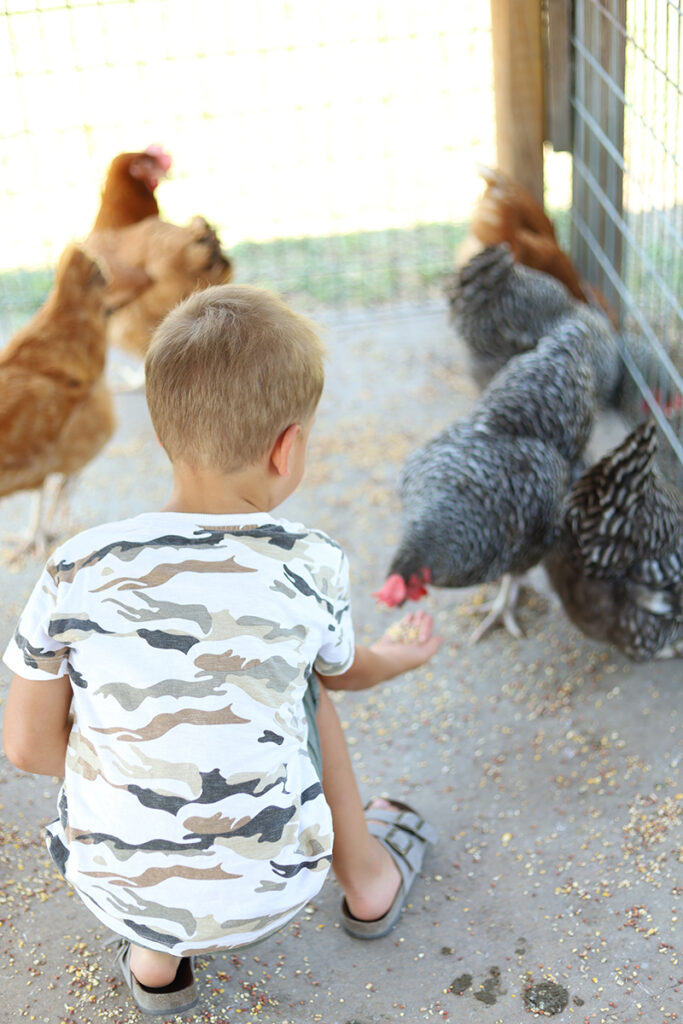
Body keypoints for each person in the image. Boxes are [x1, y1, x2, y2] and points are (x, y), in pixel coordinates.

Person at [2, 284, 442, 1016]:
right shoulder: (309, 560)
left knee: (105, 676)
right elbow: (348, 670)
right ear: (286, 449)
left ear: (162, 429)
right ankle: (367, 883)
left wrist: (130, 758)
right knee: (303, 681)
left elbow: (23, 747)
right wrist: (403, 655)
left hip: (114, 885)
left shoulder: (77, 565)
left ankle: (154, 963)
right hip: (280, 881)